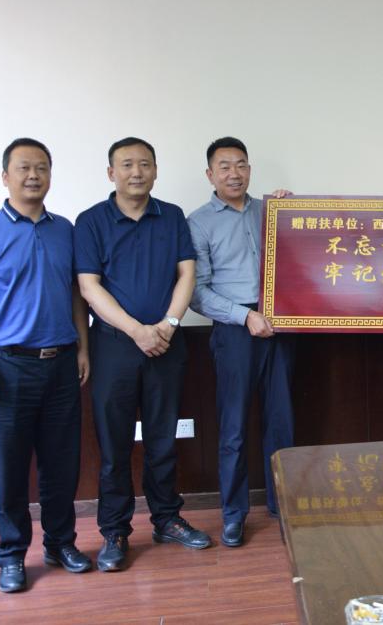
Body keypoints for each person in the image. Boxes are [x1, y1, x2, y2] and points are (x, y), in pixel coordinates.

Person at [0, 138, 92, 592]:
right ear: (5, 176)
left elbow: (76, 294)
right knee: (10, 469)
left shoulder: (65, 229)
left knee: (62, 464)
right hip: (7, 367)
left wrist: (83, 348)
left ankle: (60, 543)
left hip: (61, 364)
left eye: (42, 168)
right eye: (24, 168)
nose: (34, 176)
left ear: (51, 175)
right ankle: (11, 555)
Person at [75, 136, 209, 572]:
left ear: (155, 170)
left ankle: (167, 519)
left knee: (162, 439)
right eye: (127, 164)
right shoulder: (91, 221)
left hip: (166, 344)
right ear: (111, 172)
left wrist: (167, 325)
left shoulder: (171, 216)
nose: (137, 172)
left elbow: (187, 274)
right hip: (114, 346)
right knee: (114, 444)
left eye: (145, 164)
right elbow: (89, 286)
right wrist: (136, 331)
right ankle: (115, 531)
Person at [187, 137, 295, 547]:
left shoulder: (270, 211)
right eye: (225, 166)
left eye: (242, 165)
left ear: (250, 170)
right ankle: (233, 514)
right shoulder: (199, 222)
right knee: (232, 426)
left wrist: (294, 213)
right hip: (235, 329)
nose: (235, 173)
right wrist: (244, 316)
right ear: (210, 174)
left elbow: (300, 258)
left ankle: (283, 507)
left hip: (279, 324)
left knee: (281, 420)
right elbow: (197, 293)